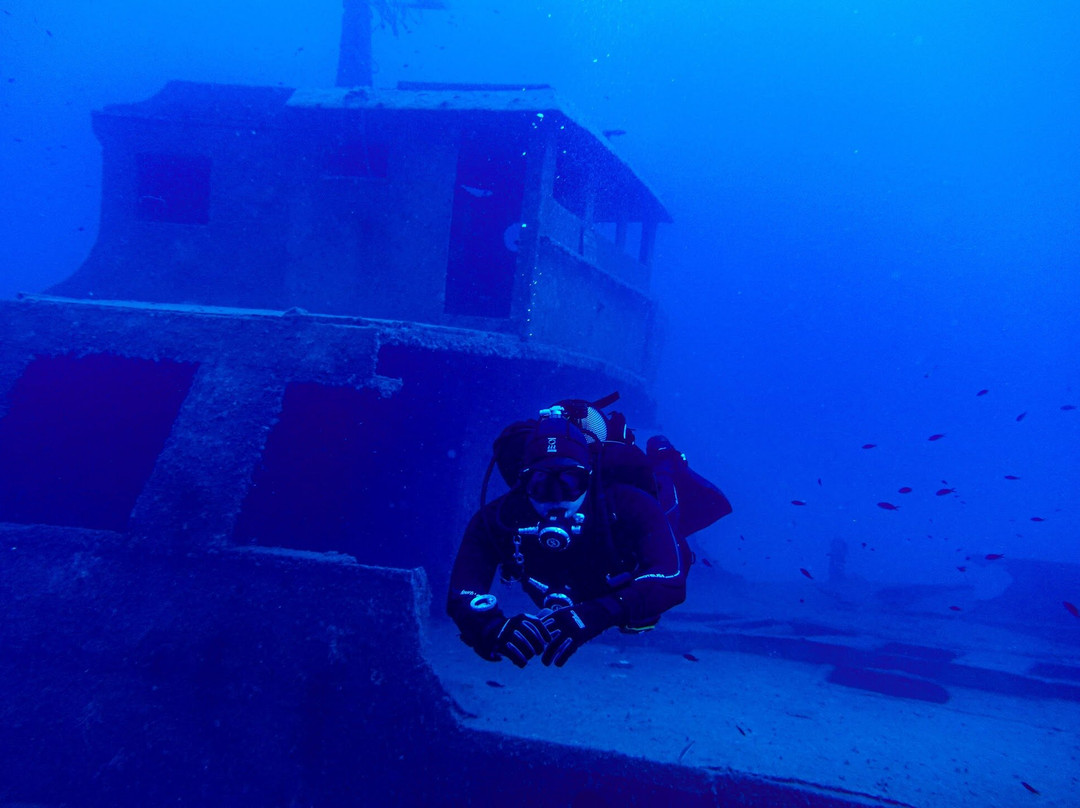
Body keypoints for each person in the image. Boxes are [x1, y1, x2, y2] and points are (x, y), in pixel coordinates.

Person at [446, 400, 731, 668]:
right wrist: (490, 628)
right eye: (541, 483)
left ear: (590, 477)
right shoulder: (497, 520)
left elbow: (670, 578)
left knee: (667, 508)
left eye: (571, 481)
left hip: (624, 571)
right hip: (588, 585)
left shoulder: (629, 503)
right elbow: (462, 593)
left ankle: (663, 458)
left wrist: (600, 613)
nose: (556, 498)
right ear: (524, 484)